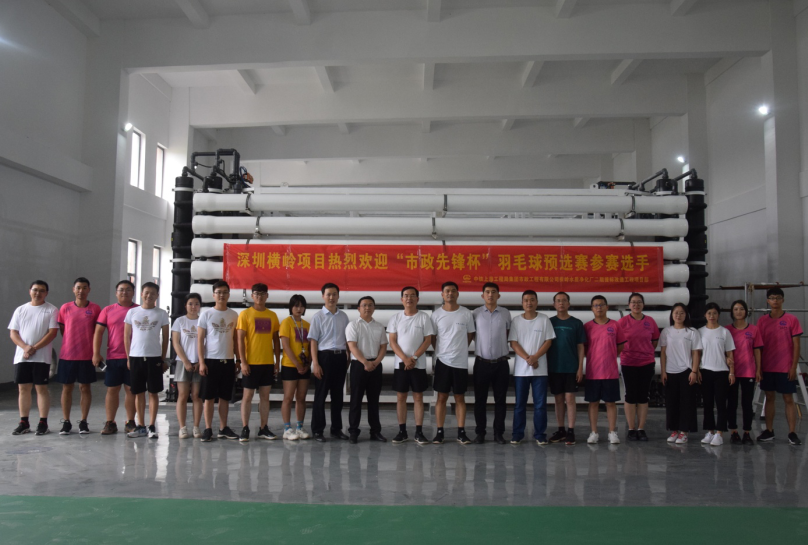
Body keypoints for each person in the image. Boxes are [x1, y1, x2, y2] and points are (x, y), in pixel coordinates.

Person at [9, 280, 58, 435]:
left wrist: (33, 348)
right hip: (22, 357)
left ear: (46, 293)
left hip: (41, 357)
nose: (38, 293)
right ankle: (24, 422)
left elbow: (52, 333)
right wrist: (25, 348)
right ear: (30, 291)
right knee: (23, 389)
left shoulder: (51, 310)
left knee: (41, 388)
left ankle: (43, 423)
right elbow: (13, 332)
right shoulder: (20, 310)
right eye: (35, 290)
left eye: (42, 290)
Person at [430, 281, 476, 445]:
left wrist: (460, 350)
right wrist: (441, 352)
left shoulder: (466, 313)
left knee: (459, 397)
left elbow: (470, 335)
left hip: (460, 362)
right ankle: (439, 432)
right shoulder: (436, 315)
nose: (450, 293)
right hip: (443, 361)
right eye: (447, 291)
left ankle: (461, 432)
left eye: (453, 291)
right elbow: (433, 338)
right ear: (442, 294)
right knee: (441, 397)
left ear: (458, 294)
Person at [387, 286, 434, 445]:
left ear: (417, 299)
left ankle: (419, 432)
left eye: (412, 295)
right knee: (401, 397)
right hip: (401, 364)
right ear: (402, 299)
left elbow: (427, 340)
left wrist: (413, 358)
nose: (409, 298)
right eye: (406, 295)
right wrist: (405, 359)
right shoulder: (395, 318)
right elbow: (392, 341)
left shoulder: (424, 317)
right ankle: (402, 431)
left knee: (418, 397)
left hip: (418, 364)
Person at [756, 287, 803, 445]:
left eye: (778, 298)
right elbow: (758, 346)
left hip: (785, 367)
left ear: (783, 300)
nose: (775, 300)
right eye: (772, 298)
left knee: (788, 398)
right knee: (769, 397)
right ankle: (769, 430)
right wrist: (758, 368)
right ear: (767, 301)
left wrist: (793, 367)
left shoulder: (791, 319)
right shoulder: (762, 321)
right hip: (767, 366)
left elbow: (797, 345)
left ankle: (792, 433)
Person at [508, 290, 555, 445]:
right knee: (519, 405)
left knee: (540, 405)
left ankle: (540, 434)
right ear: (522, 303)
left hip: (540, 370)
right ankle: (517, 434)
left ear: (537, 302)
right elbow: (513, 343)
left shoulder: (544, 319)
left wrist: (535, 357)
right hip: (521, 371)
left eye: (532, 300)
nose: (529, 303)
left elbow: (548, 341)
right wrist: (528, 359)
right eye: (526, 300)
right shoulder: (516, 321)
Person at [123, 282, 169, 438]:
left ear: (157, 296)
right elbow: (126, 337)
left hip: (154, 357)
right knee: (138, 392)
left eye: (153, 293)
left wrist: (162, 358)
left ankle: (152, 426)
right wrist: (128, 357)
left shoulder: (161, 314)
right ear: (141, 294)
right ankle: (141, 426)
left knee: (153, 392)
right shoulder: (132, 312)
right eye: (146, 292)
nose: (149, 296)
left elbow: (166, 337)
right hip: (136, 357)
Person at [56, 277, 101, 435]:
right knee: (67, 388)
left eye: (84, 288)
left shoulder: (95, 309)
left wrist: (95, 352)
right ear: (73, 289)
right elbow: (63, 330)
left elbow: (98, 332)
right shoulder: (65, 308)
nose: (81, 291)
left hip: (87, 356)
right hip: (67, 356)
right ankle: (66, 422)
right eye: (78, 288)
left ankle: (83, 421)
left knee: (85, 388)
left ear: (89, 290)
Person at [236, 283, 281, 442]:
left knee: (265, 397)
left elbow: (276, 341)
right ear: (252, 296)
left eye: (262, 293)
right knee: (247, 396)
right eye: (256, 293)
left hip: (267, 363)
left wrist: (277, 362)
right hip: (251, 363)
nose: (259, 296)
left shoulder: (272, 315)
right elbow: (240, 340)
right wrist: (243, 362)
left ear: (267, 296)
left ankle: (263, 428)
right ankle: (245, 428)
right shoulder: (245, 314)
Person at [196, 281, 239, 442]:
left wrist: (238, 359)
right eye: (218, 292)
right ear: (214, 295)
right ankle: (208, 428)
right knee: (208, 397)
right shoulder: (206, 314)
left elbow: (236, 340)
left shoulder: (234, 315)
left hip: (228, 360)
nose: (222, 295)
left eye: (225, 292)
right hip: (210, 361)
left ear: (229, 295)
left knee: (225, 397)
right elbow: (200, 340)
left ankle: (223, 428)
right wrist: (201, 362)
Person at [94, 280, 139, 435]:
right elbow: (98, 332)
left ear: (133, 292)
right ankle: (110, 422)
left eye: (128, 290)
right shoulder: (108, 310)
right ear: (116, 293)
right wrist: (96, 353)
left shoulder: (139, 310)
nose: (124, 292)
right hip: (113, 357)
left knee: (131, 390)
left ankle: (130, 421)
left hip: (134, 357)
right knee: (112, 389)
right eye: (121, 290)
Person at [309, 283, 351, 442]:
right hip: (324, 358)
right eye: (328, 294)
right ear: (323, 296)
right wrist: (316, 363)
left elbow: (347, 339)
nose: (331, 297)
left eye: (334, 294)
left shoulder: (343, 317)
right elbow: (313, 341)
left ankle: (336, 429)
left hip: (340, 358)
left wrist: (348, 357)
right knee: (320, 396)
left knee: (338, 396)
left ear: (338, 296)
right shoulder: (318, 317)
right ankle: (317, 430)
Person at [471, 282, 512, 445]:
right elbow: (472, 334)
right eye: (487, 292)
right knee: (480, 400)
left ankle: (498, 433)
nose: (490, 295)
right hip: (481, 363)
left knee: (500, 400)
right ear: (482, 295)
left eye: (493, 292)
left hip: (501, 363)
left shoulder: (505, 313)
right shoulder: (475, 313)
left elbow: (508, 334)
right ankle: (480, 433)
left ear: (498, 295)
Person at [583, 295, 626, 445]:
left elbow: (620, 346)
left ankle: (612, 432)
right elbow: (584, 348)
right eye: (596, 305)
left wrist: (609, 355)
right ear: (592, 309)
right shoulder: (587, 327)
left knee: (610, 403)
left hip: (610, 372)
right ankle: (594, 432)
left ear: (607, 307)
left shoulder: (615, 325)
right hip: (592, 372)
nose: (599, 307)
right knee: (593, 403)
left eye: (601, 305)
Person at [617, 293, 660, 442]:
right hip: (628, 363)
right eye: (633, 302)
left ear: (643, 304)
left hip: (646, 363)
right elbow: (618, 342)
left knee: (643, 396)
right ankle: (631, 429)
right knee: (630, 396)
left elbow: (654, 341)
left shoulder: (650, 321)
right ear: (629, 305)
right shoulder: (622, 322)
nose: (636, 305)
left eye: (639, 302)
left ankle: (641, 429)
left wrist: (644, 352)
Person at [346, 296, 388, 443]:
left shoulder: (379, 326)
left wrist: (375, 362)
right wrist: (365, 362)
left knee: (374, 400)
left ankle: (375, 431)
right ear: (359, 308)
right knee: (355, 400)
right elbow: (352, 346)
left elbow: (383, 347)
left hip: (375, 364)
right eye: (364, 305)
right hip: (359, 365)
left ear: (374, 308)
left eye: (370, 305)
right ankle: (353, 431)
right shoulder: (353, 325)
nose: (367, 308)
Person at [659, 303, 701, 445]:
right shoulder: (666, 331)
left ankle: (684, 431)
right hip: (670, 371)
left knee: (687, 402)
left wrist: (694, 371)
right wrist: (663, 371)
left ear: (686, 315)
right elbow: (663, 353)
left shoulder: (692, 332)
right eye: (676, 312)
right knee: (672, 402)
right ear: (672, 315)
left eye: (682, 313)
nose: (678, 315)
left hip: (686, 371)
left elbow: (695, 353)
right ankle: (674, 429)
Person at [547, 291, 586, 446]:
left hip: (571, 367)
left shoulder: (576, 323)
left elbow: (580, 347)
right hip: (554, 367)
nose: (561, 303)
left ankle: (571, 431)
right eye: (558, 301)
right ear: (554, 304)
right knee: (558, 399)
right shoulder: (549, 322)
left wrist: (580, 367)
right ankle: (561, 429)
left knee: (570, 399)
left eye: (564, 300)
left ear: (569, 304)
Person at [698, 302, 735, 446]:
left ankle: (719, 433)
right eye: (709, 313)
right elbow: (697, 353)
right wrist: (697, 370)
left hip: (722, 372)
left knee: (720, 403)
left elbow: (730, 354)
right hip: (705, 371)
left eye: (714, 313)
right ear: (705, 315)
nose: (711, 316)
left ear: (718, 315)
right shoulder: (700, 332)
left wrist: (732, 373)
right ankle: (710, 431)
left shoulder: (724, 332)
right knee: (707, 403)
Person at [726, 299, 763, 445]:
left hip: (748, 371)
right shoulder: (727, 330)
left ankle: (747, 432)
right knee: (732, 402)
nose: (739, 312)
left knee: (747, 404)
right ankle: (733, 432)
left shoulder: (754, 330)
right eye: (736, 309)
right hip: (732, 372)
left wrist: (758, 369)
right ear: (732, 312)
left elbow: (757, 351)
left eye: (741, 309)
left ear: (746, 311)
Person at [279, 294, 312, 440]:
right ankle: (287, 429)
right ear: (291, 307)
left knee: (301, 397)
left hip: (304, 366)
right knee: (288, 397)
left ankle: (299, 427)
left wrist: (308, 363)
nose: (299, 309)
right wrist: (297, 364)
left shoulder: (307, 325)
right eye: (296, 305)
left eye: (301, 306)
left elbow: (311, 346)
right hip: (290, 365)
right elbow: (286, 346)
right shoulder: (286, 323)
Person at [171, 293, 203, 439]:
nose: (193, 307)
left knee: (196, 395)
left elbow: (206, 343)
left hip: (199, 363)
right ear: (185, 305)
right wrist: (186, 361)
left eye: (196, 304)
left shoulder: (203, 321)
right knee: (183, 395)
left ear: (200, 306)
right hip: (182, 362)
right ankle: (182, 427)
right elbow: (176, 343)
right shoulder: (180, 321)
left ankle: (196, 427)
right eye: (190, 303)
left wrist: (199, 362)